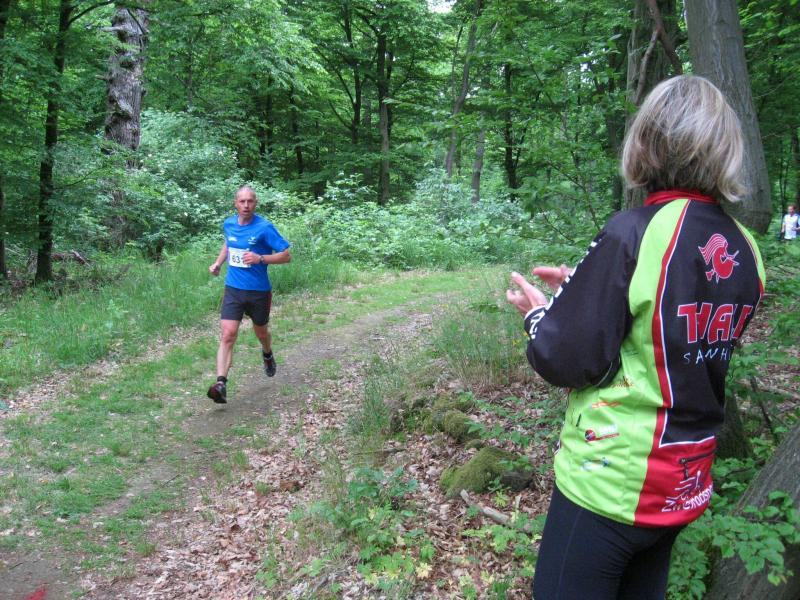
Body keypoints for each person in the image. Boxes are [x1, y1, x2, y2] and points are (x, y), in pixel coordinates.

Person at [506, 75, 765, 600]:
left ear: (648, 141)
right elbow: (672, 335)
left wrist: (539, 317)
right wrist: (585, 289)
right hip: (683, 484)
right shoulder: (746, 250)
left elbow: (569, 358)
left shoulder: (635, 231)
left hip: (611, 482)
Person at [207, 186, 291, 404]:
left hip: (258, 292)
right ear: (235, 203)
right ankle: (221, 383)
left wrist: (260, 258)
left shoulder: (264, 227)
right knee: (228, 334)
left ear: (256, 203)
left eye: (250, 201)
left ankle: (267, 353)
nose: (246, 205)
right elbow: (229, 243)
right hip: (233, 289)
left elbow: (286, 255)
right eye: (242, 201)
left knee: (261, 333)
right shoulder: (229, 224)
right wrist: (218, 263)